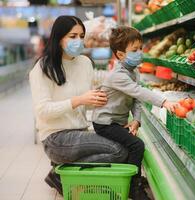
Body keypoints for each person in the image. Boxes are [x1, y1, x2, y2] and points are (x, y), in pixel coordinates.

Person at [29, 16, 128, 195]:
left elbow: (86, 104)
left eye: (81, 36)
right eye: (72, 36)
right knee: (118, 150)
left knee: (124, 142)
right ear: (59, 38)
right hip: (56, 138)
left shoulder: (85, 63)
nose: (79, 41)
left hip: (80, 132)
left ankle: (62, 170)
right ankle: (59, 172)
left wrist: (102, 102)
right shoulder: (43, 68)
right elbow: (43, 111)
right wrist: (79, 100)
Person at [92, 26, 178, 200]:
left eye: (140, 48)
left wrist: (136, 121)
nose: (140, 53)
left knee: (131, 145)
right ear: (120, 54)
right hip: (105, 123)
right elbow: (138, 92)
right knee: (137, 145)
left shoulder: (134, 71)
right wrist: (164, 102)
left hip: (117, 120)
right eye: (134, 50)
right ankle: (134, 188)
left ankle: (132, 179)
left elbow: (136, 100)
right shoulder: (118, 75)